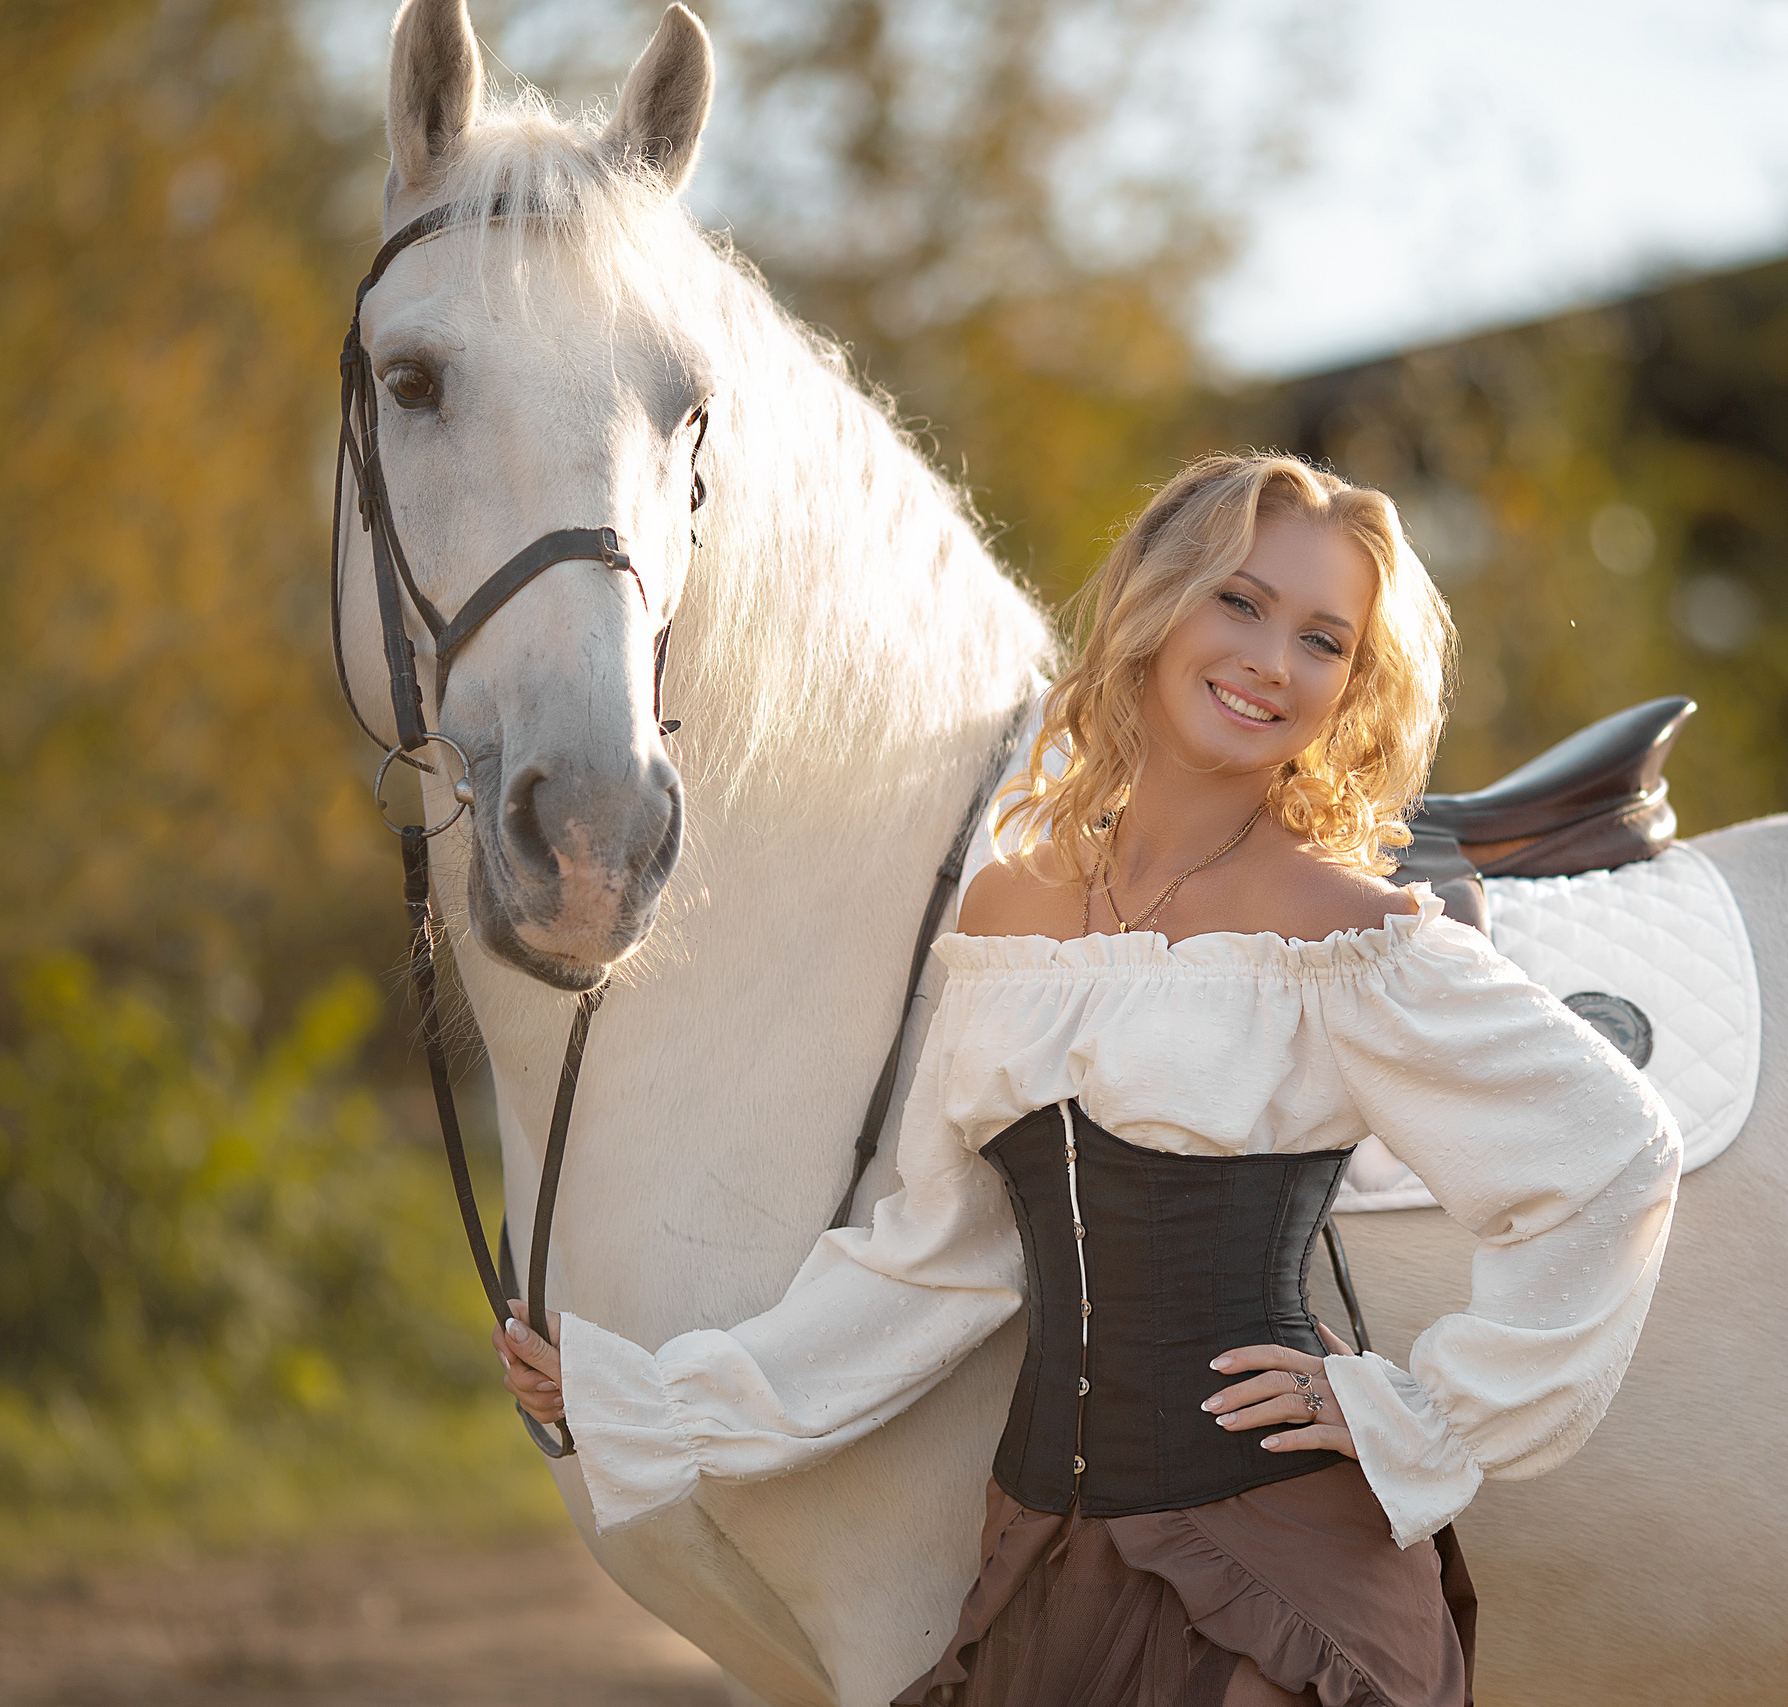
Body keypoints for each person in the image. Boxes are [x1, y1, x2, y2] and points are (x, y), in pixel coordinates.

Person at [495, 452, 1682, 1707]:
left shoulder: (1347, 939)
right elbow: (937, 1260)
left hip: (1279, 1571)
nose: (1272, 662)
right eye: (1240, 603)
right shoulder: (1012, 908)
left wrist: (1417, 1410)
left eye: (1324, 640)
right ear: (1155, 605)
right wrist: (657, 1400)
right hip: (1049, 1568)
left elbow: (1614, 1156)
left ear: (1352, 688)